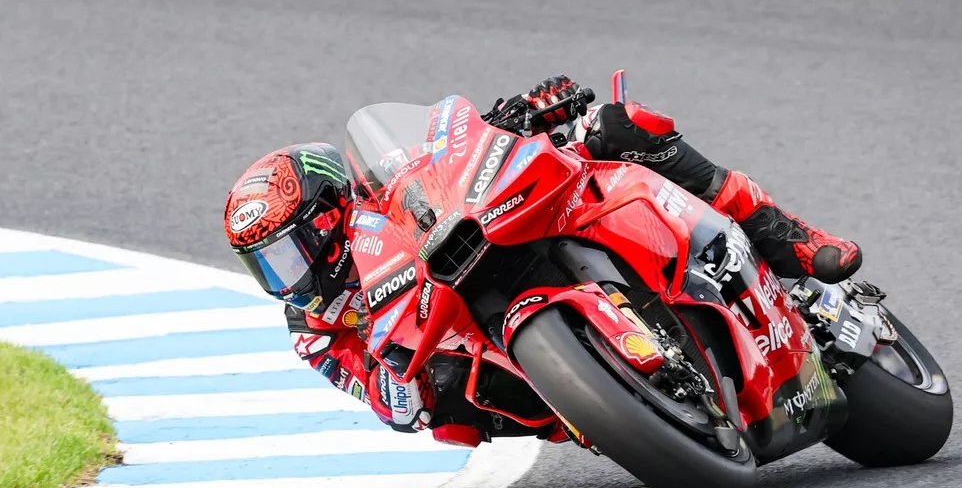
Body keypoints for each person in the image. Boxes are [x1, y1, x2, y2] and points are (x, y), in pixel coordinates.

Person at [222, 76, 862, 447]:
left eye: (286, 252)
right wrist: (395, 385)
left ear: (328, 214)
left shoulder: (382, 188)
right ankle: (612, 406)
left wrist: (522, 114)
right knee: (447, 414)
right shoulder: (313, 328)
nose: (285, 277)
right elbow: (382, 400)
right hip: (476, 346)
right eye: (265, 265)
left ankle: (788, 236)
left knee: (617, 126)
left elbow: (447, 149)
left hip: (499, 232)